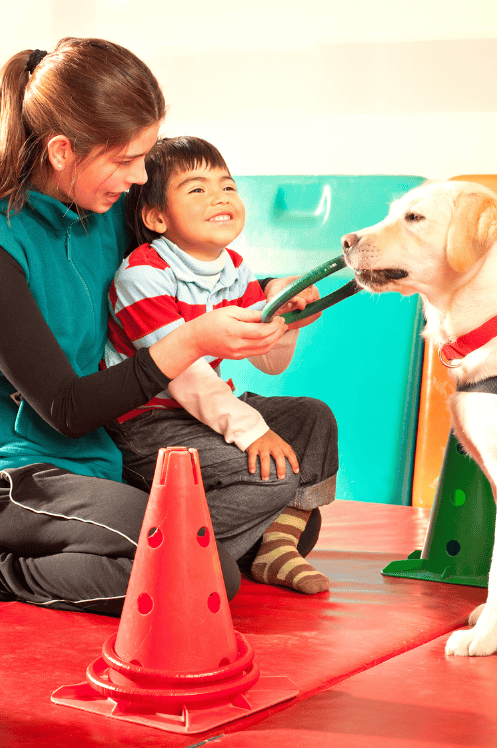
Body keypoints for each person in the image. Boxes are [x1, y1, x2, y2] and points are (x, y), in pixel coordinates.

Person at [0, 38, 323, 615]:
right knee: (202, 580)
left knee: (299, 468)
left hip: (114, 459)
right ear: (60, 151)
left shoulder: (101, 211)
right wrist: (192, 342)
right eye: (126, 160)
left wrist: (278, 290)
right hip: (25, 479)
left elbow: (190, 256)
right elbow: (67, 409)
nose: (140, 176)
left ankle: (197, 544)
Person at [104, 136, 338, 595]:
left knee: (313, 418)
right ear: (156, 217)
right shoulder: (143, 274)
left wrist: (287, 317)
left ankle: (276, 547)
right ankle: (174, 556)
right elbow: (182, 376)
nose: (219, 197)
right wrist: (252, 431)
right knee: (272, 475)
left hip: (204, 409)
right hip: (148, 423)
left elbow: (268, 360)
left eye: (227, 186)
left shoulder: (234, 267)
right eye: (196, 189)